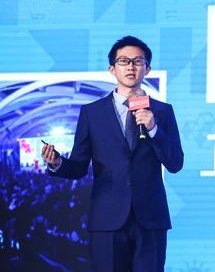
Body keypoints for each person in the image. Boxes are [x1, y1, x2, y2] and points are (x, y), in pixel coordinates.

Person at [41, 35, 184, 272]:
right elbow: (78, 166)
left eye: (138, 61)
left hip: (150, 219)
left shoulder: (162, 112)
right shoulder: (92, 113)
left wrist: (153, 129)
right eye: (124, 61)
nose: (131, 67)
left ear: (147, 69)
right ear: (112, 69)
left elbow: (175, 163)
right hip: (107, 220)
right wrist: (57, 162)